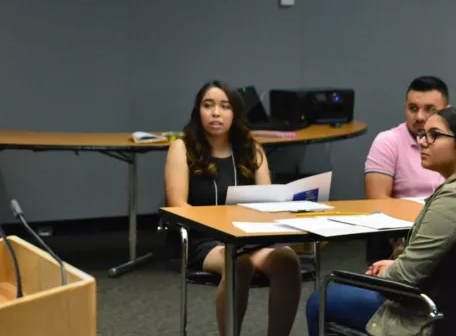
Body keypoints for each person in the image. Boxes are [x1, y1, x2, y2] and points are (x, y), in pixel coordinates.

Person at [164, 80, 302, 336]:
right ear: (198, 111)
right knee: (238, 263)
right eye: (208, 105)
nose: (216, 112)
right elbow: (178, 205)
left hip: (249, 237)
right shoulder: (181, 148)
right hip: (205, 239)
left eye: (224, 106)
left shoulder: (252, 149)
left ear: (235, 114)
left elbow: (267, 200)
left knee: (287, 260)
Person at [306, 107, 456, 336]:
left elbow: (405, 277)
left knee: (320, 300)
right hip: (437, 300)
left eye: (434, 134)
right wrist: (393, 265)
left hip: (424, 313)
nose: (423, 142)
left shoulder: (451, 199)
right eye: (422, 134)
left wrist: (388, 272)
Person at [365, 76, 448, 200]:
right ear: (405, 108)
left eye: (429, 109)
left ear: (447, 111)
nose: (419, 117)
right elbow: (376, 200)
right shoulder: (388, 141)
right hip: (405, 218)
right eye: (413, 108)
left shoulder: (453, 141)